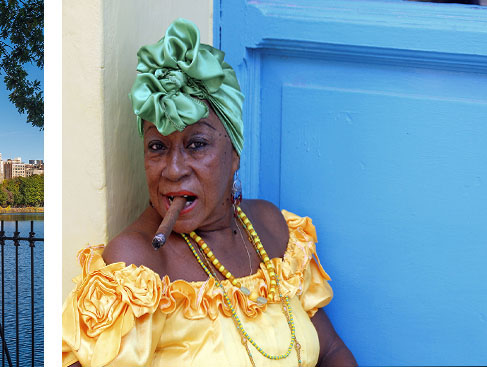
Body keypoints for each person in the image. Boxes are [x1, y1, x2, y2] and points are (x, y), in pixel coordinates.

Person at [62, 18, 357, 367]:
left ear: (234, 154)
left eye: (196, 144)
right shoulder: (137, 267)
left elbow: (333, 352)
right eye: (157, 146)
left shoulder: (272, 228)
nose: (173, 170)